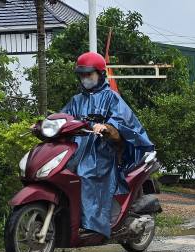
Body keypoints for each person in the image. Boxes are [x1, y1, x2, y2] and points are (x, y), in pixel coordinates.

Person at [60, 52, 154, 238]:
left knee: (86, 174)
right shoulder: (76, 100)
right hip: (77, 149)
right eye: (82, 75)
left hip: (102, 151)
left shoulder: (112, 97)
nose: (85, 78)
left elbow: (122, 120)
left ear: (100, 74)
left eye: (89, 74)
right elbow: (63, 116)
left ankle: (93, 224)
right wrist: (43, 124)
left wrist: (107, 127)